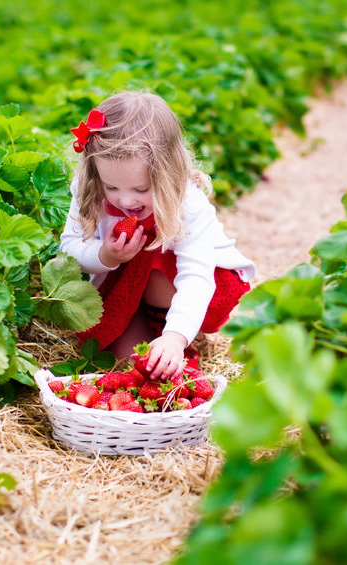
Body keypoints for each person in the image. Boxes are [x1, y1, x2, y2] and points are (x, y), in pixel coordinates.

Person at [59, 91, 255, 380]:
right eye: (112, 187)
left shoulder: (187, 204)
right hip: (124, 285)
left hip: (193, 284)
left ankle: (172, 336)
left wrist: (175, 337)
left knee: (153, 255)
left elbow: (195, 277)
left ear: (168, 174)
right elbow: (70, 247)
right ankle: (151, 338)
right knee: (131, 362)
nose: (126, 201)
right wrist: (104, 255)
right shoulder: (89, 188)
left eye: (140, 189)